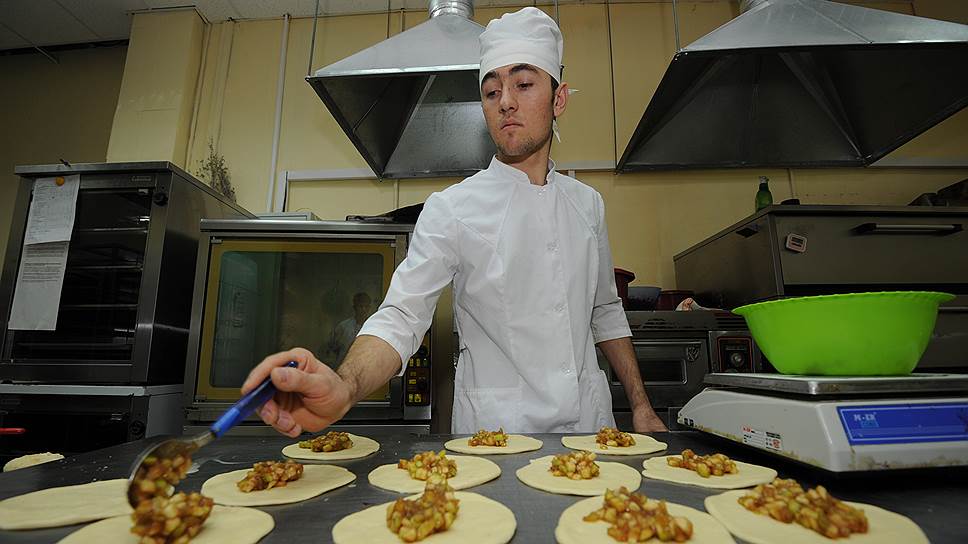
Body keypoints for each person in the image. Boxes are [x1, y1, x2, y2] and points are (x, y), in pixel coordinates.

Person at [243, 7, 668, 437]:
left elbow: (605, 312)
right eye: (491, 91)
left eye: (523, 84)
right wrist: (345, 385)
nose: (505, 101)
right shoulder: (452, 208)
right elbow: (401, 316)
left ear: (559, 99)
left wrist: (641, 405)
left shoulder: (588, 205)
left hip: (589, 431)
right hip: (497, 438)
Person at [326, 292, 373, 365]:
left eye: (366, 306)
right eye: (360, 306)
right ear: (355, 307)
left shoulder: (373, 327)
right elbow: (332, 347)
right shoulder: (343, 327)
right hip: (344, 365)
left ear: (369, 308)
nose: (363, 309)